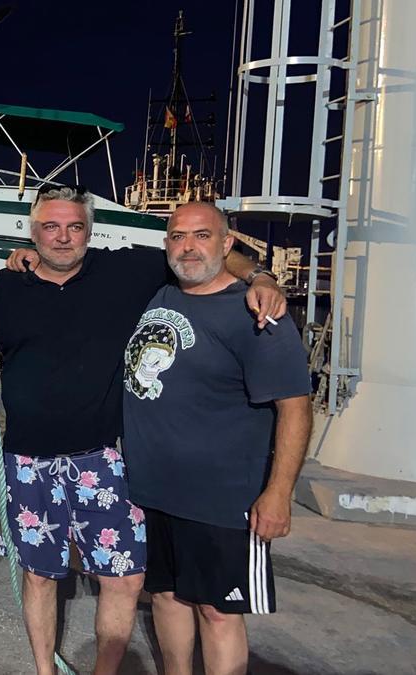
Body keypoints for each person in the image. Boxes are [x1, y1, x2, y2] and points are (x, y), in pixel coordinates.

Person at [0, 185, 287, 675]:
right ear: (32, 230)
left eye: (74, 227)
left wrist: (262, 276)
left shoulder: (125, 271)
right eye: (50, 227)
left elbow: (199, 256)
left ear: (89, 231)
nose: (62, 238)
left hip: (103, 458)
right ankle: (45, 671)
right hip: (27, 464)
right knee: (40, 577)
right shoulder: (5, 286)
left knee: (125, 578)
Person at [121, 203, 311, 675]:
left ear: (227, 244)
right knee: (165, 596)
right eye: (178, 236)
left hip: (223, 500)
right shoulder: (160, 293)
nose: (188, 247)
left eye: (202, 236)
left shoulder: (258, 316)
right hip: (153, 491)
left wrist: (279, 493)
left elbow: (296, 407)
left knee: (218, 611)